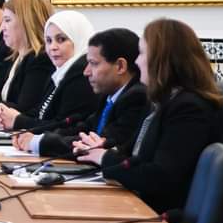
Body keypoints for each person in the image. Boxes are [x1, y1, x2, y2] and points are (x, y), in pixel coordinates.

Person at [75, 19, 223, 213]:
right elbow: (133, 154)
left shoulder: (189, 108)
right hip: (139, 203)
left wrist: (104, 158)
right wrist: (103, 149)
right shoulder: (162, 101)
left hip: (158, 214)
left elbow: (160, 177)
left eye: (142, 53)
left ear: (162, 59)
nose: (137, 61)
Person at [13, 28, 148, 158]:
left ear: (120, 66)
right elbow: (84, 129)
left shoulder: (137, 98)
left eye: (93, 63)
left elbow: (97, 145)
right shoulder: (109, 96)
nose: (86, 72)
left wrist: (39, 142)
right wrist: (36, 136)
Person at [0, 10, 102, 133]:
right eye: (49, 41)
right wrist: (9, 115)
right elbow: (41, 112)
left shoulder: (82, 75)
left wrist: (18, 121)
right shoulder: (60, 72)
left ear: (78, 38)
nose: (52, 47)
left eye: (61, 39)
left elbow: (65, 127)